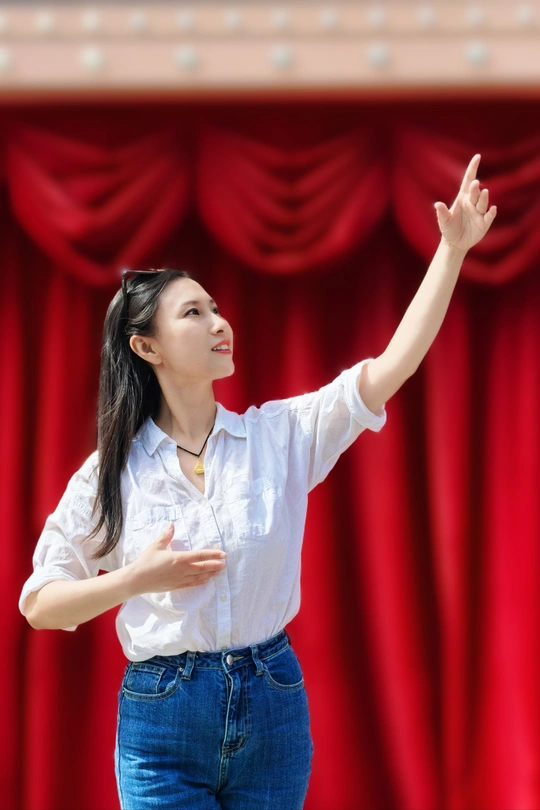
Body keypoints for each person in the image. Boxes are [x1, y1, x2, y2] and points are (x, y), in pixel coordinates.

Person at [19, 154, 496, 810]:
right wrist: (133, 580)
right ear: (147, 347)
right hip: (162, 721)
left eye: (216, 308)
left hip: (272, 706)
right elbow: (40, 604)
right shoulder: (112, 471)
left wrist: (452, 251)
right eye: (193, 313)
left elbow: (394, 365)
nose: (219, 322)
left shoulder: (280, 436)